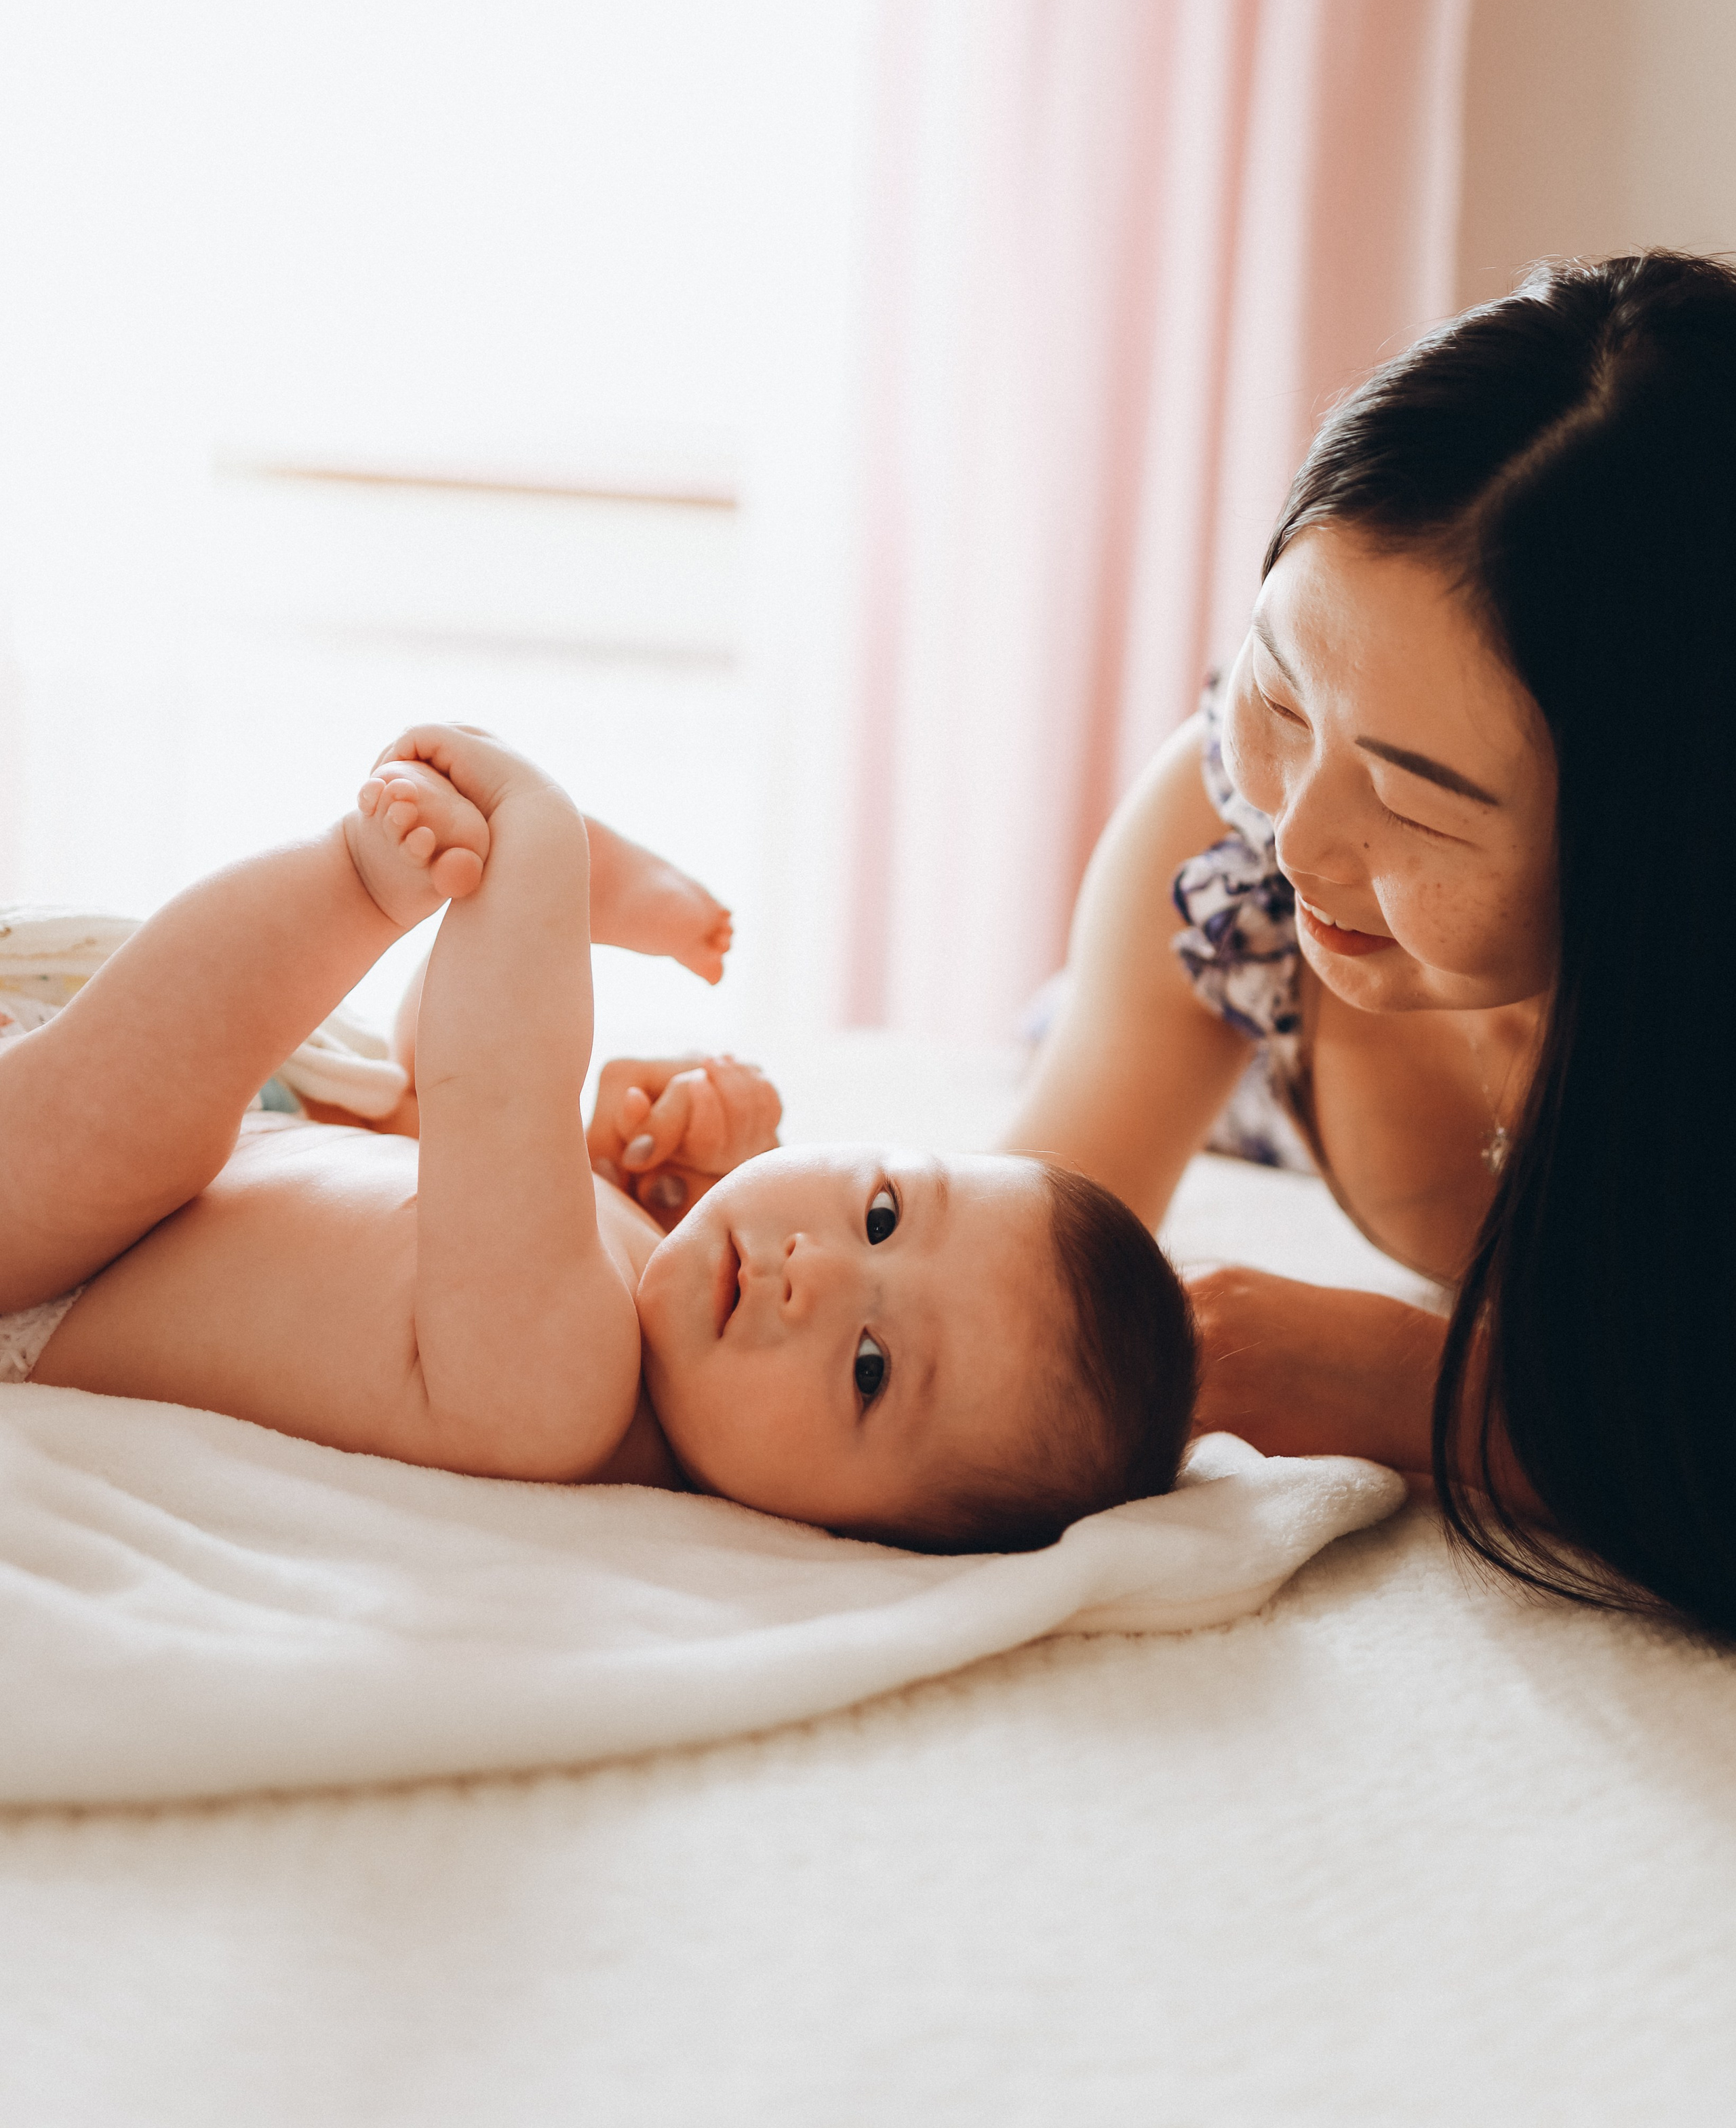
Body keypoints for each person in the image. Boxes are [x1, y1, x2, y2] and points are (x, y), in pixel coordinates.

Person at [1004, 250, 1736, 1638]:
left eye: (1411, 799)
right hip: (1231, 1086)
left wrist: (1425, 1389)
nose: (1297, 844)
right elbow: (1007, 1260)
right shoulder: (1222, 845)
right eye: (1278, 692)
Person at [0, 725, 1194, 1555]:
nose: (814, 1273)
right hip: (270, 1114)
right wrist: (627, 1170)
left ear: (847, 1532)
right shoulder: (634, 1309)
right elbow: (445, 1101)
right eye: (880, 1213)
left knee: (128, 1135)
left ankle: (354, 888)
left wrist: (538, 858)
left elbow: (494, 1087)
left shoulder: (557, 1405)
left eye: (871, 1368)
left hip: (49, 1273)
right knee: (385, 1094)